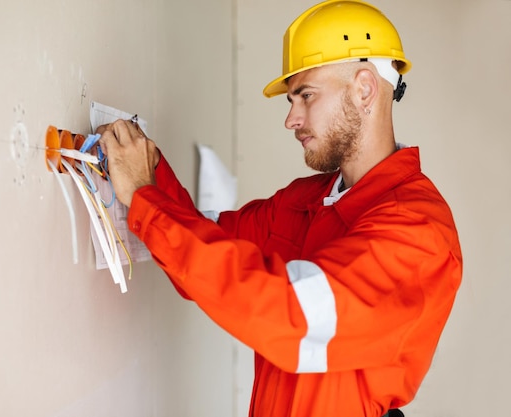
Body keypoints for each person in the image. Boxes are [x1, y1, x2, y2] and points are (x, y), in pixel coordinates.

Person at [97, 1, 462, 416]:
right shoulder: (306, 201)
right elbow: (201, 250)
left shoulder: (417, 230)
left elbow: (293, 318)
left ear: (364, 89)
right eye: (292, 100)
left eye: (305, 95)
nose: (291, 119)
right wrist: (151, 173)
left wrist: (146, 198)